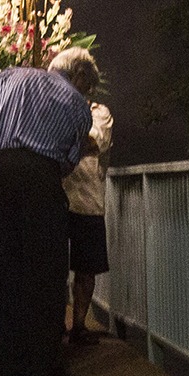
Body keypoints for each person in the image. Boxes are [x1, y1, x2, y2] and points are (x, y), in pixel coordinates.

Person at [0, 47, 98, 376]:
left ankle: (11, 362)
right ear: (80, 77)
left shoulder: (13, 75)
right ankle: (45, 365)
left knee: (3, 264)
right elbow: (68, 162)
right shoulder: (78, 106)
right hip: (40, 175)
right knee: (46, 269)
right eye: (89, 87)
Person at [64, 97, 115, 345]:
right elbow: (85, 144)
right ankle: (59, 324)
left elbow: (94, 141)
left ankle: (79, 325)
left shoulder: (100, 112)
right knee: (55, 266)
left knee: (86, 268)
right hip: (60, 199)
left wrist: (58, 141)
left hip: (88, 200)